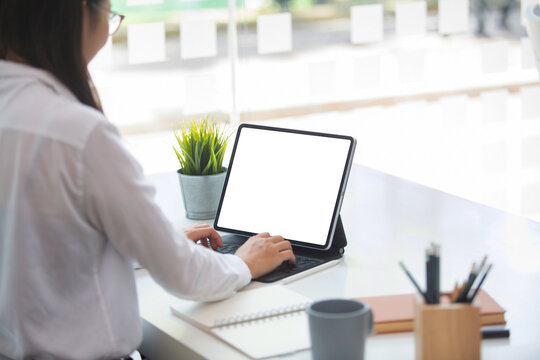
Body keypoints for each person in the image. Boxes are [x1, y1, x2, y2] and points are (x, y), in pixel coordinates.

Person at [0, 0, 296, 359]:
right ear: (78, 12)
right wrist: (243, 263)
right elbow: (185, 277)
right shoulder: (78, 133)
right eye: (110, 16)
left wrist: (153, 239)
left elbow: (38, 242)